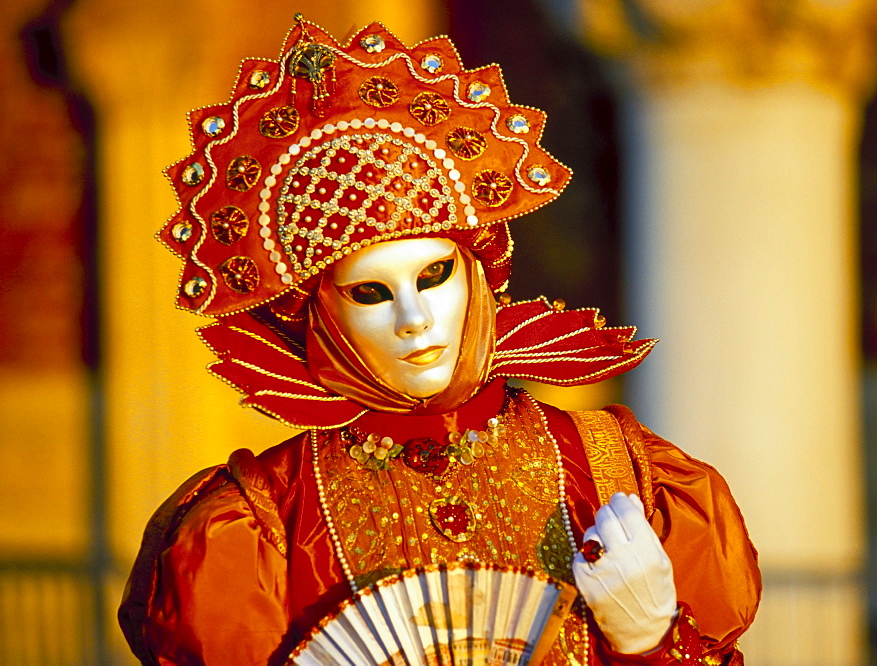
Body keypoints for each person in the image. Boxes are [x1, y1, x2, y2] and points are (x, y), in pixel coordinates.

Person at [119, 17, 760, 665]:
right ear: (316, 318)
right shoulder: (266, 522)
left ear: (481, 276)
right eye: (370, 293)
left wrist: (647, 642)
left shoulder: (616, 472)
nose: (414, 319)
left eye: (434, 276)